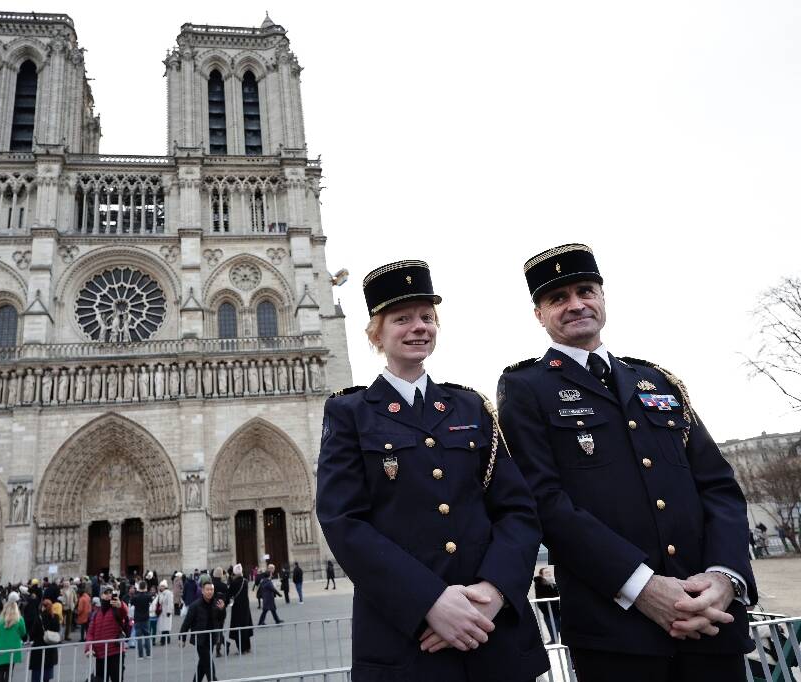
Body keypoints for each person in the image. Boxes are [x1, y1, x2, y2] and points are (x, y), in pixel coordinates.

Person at [497, 243, 757, 682]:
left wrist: (724, 579)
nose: (576, 305)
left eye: (586, 291)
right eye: (557, 298)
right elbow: (545, 501)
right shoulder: (525, 388)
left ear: (602, 297)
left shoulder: (657, 381)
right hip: (617, 633)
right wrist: (640, 586)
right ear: (539, 314)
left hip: (711, 619)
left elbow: (718, 487)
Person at [317, 260, 549, 681]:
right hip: (408, 644)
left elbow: (517, 509)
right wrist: (429, 602)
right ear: (377, 334)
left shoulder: (471, 406)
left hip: (492, 633)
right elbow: (343, 520)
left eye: (427, 317)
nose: (418, 327)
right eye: (402, 319)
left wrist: (494, 592)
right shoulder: (349, 412)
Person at [179, 577, 225, 682]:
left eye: (211, 590)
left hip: (211, 638)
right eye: (207, 590)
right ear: (203, 591)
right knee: (209, 665)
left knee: (202, 665)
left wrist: (222, 610)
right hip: (200, 640)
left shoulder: (216, 603)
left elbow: (221, 619)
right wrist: (182, 638)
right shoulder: (195, 606)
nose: (210, 592)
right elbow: (187, 622)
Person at [84, 587, 130, 682]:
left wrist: (120, 605)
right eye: (106, 593)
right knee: (100, 679)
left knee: (116, 679)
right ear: (101, 595)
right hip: (100, 654)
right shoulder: (96, 614)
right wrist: (89, 648)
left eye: (110, 592)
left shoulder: (116, 609)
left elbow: (124, 612)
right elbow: (90, 633)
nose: (109, 594)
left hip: (115, 653)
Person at [0, 600, 26, 682]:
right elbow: (23, 633)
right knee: (9, 671)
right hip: (13, 647)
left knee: (0, 670)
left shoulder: (0, 620)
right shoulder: (19, 620)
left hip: (1, 647)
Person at [27, 599, 59, 682]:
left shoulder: (39, 618)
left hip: (39, 647)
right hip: (51, 647)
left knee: (37, 674)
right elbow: (57, 629)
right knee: (47, 675)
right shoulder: (55, 617)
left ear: (42, 607)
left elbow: (32, 634)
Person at [227, 564, 253, 654]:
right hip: (245, 607)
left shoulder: (234, 583)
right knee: (246, 626)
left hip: (237, 608)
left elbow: (229, 594)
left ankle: (241, 649)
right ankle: (248, 647)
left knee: (238, 628)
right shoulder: (245, 581)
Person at [532, 567, 561, 644]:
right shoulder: (540, 584)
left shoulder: (554, 584)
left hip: (559, 614)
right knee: (554, 639)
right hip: (549, 614)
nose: (549, 574)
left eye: (549, 572)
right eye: (546, 573)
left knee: (565, 638)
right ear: (541, 575)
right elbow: (540, 601)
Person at [130, 581, 152, 658]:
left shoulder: (135, 597)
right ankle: (148, 653)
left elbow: (131, 604)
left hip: (137, 618)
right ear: (145, 587)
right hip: (146, 617)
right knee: (147, 636)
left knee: (139, 637)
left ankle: (140, 655)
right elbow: (151, 603)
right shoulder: (148, 596)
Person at [155, 580, 174, 646]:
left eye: (162, 586)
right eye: (160, 586)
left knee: (166, 626)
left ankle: (164, 640)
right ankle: (166, 639)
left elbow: (170, 603)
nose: (160, 587)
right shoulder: (161, 594)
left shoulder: (169, 593)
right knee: (164, 626)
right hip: (162, 612)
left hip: (166, 612)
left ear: (165, 587)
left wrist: (169, 611)